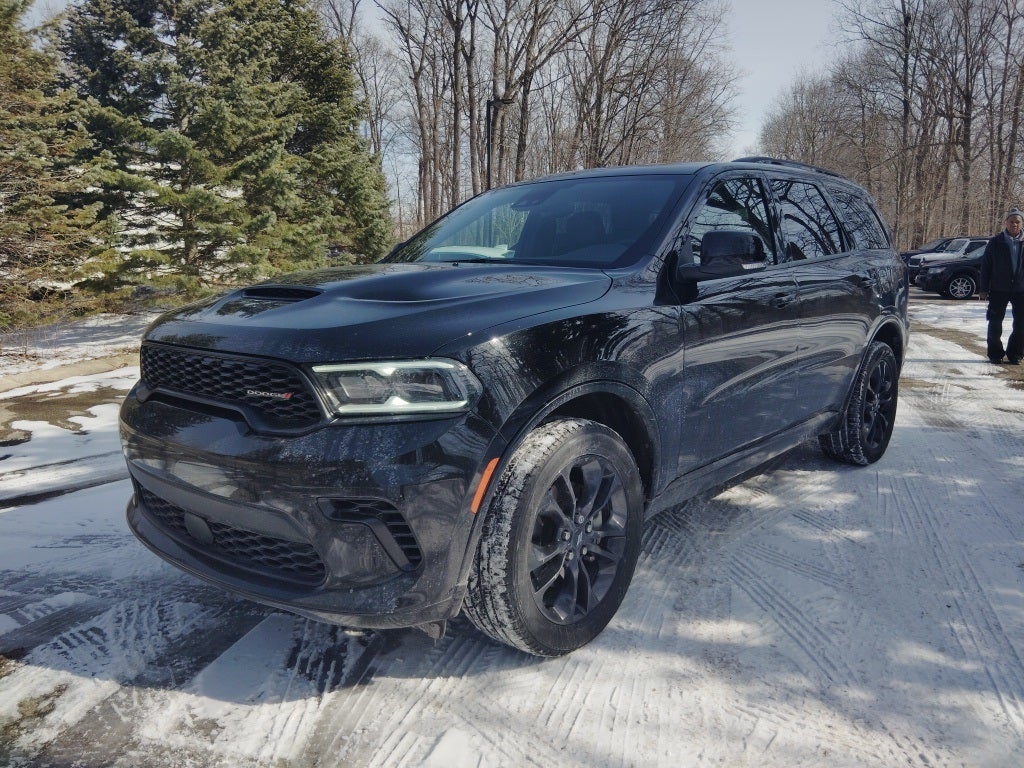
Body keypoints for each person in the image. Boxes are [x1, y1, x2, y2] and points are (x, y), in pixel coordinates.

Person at [979, 208, 1024, 364]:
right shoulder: (996, 242)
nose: (1014, 224)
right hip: (999, 288)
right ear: (1006, 222)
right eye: (1011, 221)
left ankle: (1015, 354)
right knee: (995, 322)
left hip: (1021, 290)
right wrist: (983, 288)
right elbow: (986, 266)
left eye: (1017, 222)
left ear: (1022, 223)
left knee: (1021, 325)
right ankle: (995, 354)